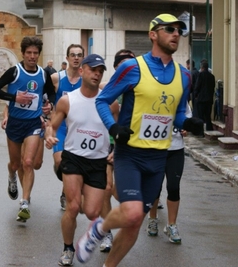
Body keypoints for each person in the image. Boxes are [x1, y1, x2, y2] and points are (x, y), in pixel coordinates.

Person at [74, 13, 203, 267]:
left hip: (159, 157)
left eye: (179, 30)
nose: (176, 33)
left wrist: (186, 123)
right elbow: (102, 100)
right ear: (153, 34)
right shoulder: (132, 67)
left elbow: (176, 114)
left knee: (134, 224)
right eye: (169, 29)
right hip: (130, 154)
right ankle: (98, 230)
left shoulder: (184, 75)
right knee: (131, 212)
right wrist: (114, 128)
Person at [45, 54, 117, 266]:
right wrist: (49, 135)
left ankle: (93, 233)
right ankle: (68, 248)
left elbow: (120, 129)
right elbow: (53, 124)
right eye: (93, 69)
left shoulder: (109, 102)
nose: (97, 73)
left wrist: (117, 149)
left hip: (98, 161)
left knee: (93, 211)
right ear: (82, 70)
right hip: (73, 158)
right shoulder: (68, 100)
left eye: (101, 71)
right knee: (73, 207)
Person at [0, 36, 55, 222]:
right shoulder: (14, 71)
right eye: (29, 53)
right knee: (16, 164)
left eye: (35, 53)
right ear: (23, 53)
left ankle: (24, 202)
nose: (32, 56)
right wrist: (14, 98)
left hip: (33, 123)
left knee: (28, 162)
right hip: (15, 124)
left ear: (39, 55)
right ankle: (11, 175)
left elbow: (51, 92)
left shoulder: (43, 74)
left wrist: (49, 103)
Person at [98, 48, 135, 253]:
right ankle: (107, 235)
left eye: (132, 63)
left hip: (128, 145)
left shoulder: (138, 88)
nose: (129, 67)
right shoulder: (105, 87)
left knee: (120, 194)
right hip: (106, 142)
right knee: (105, 188)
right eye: (123, 63)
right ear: (115, 67)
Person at [146, 103, 192, 244]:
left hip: (176, 148)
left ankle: (171, 225)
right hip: (155, 149)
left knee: (173, 186)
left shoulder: (180, 96)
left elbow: (187, 117)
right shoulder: (152, 94)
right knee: (155, 188)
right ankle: (152, 219)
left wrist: (186, 128)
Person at [50, 44, 84, 211]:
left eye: (79, 55)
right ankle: (66, 183)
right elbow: (46, 95)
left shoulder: (87, 79)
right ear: (67, 58)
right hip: (61, 128)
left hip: (78, 129)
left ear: (82, 58)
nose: (76, 57)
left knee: (71, 165)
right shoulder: (57, 78)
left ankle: (65, 193)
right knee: (60, 162)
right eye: (73, 55)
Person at [193, 60, 215, 131]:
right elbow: (213, 87)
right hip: (209, 99)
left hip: (201, 99)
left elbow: (197, 86)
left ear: (202, 68)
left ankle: (200, 131)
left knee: (200, 116)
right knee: (208, 116)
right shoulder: (212, 76)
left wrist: (195, 95)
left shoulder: (200, 75)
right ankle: (209, 129)